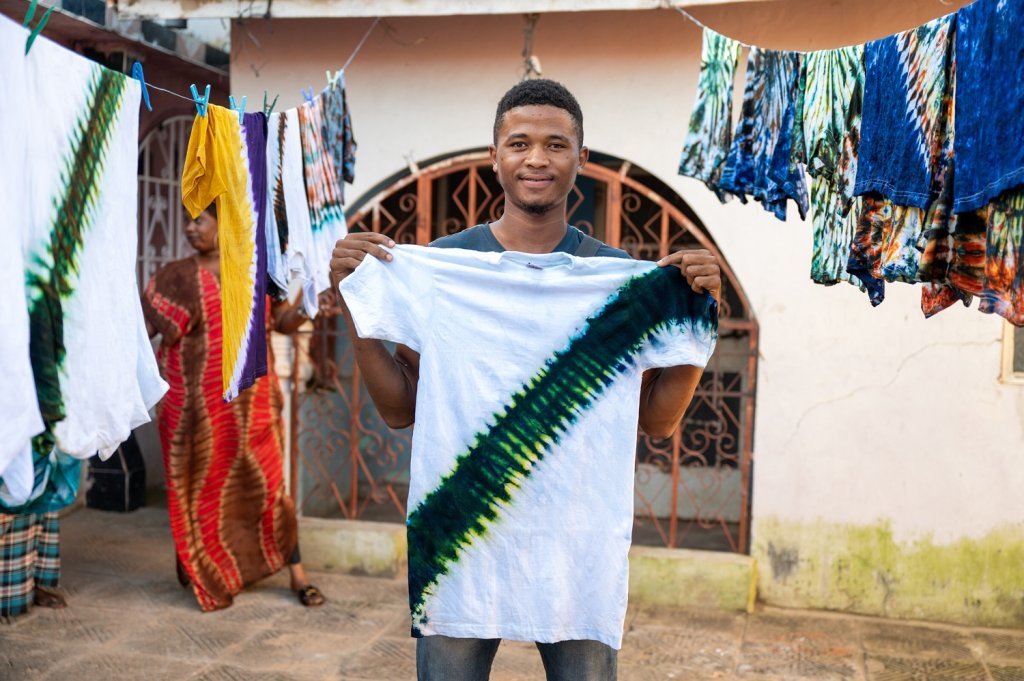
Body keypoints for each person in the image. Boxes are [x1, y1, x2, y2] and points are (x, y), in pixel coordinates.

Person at [329, 79, 721, 680]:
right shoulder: (445, 267)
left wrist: (697, 323)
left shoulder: (620, 281)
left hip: (575, 551)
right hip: (460, 543)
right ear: (495, 155)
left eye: (556, 145)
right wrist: (356, 307)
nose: (537, 158)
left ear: (580, 159)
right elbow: (400, 410)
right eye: (519, 143)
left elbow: (659, 422)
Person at [142, 204, 324, 611]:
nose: (190, 229)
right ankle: (207, 570)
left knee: (269, 485)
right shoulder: (174, 277)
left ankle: (298, 573)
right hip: (194, 413)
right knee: (199, 490)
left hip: (253, 403)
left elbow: (281, 322)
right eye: (187, 220)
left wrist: (311, 301)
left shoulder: (255, 272)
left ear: (225, 224)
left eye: (200, 220)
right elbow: (143, 334)